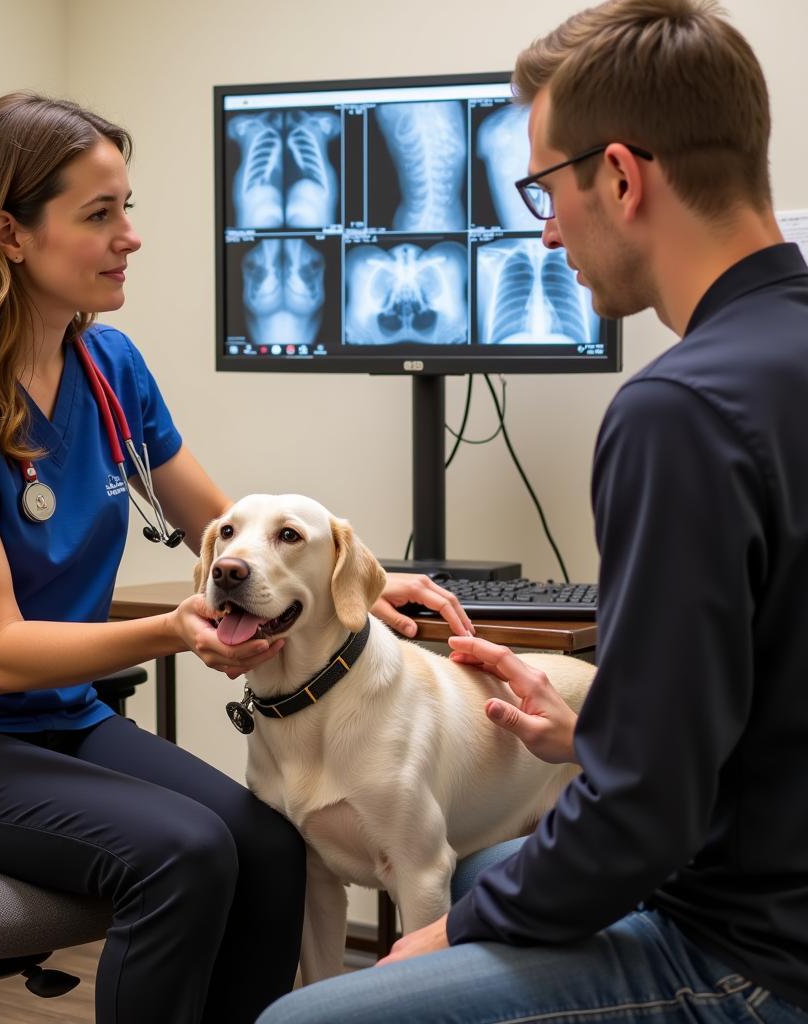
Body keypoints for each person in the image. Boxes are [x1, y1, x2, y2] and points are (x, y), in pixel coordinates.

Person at [0, 92, 470, 1024]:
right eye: (98, 215)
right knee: (182, 852)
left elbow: (226, 527)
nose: (130, 236)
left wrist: (356, 575)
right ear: (9, 233)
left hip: (53, 720)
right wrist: (174, 630)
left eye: (128, 208)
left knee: (272, 844)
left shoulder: (108, 369)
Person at [257, 1, 808, 1021]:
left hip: (750, 955)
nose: (546, 227)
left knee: (300, 1016)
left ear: (620, 176)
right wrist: (604, 731)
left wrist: (437, 938)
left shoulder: (680, 412)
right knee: (485, 870)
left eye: (543, 188)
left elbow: (640, 819)